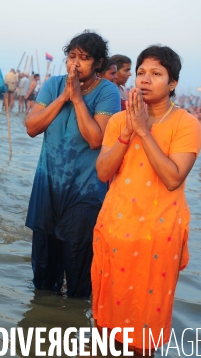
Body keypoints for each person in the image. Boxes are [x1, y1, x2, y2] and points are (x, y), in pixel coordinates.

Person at [92, 45, 201, 352]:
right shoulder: (118, 121)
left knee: (144, 331)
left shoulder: (186, 123)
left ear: (172, 83)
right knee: (105, 326)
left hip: (157, 238)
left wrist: (143, 131)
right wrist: (128, 131)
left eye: (156, 74)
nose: (145, 79)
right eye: (141, 72)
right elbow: (103, 172)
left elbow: (172, 178)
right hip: (115, 230)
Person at [24, 31, 120, 298]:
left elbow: (95, 139)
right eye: (72, 56)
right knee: (43, 277)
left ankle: (74, 328)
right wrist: (63, 97)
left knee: (78, 277)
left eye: (85, 58)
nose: (75, 64)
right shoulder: (54, 85)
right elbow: (32, 127)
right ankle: (44, 328)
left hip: (85, 192)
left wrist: (77, 99)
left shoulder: (107, 91)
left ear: (99, 63)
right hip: (48, 187)